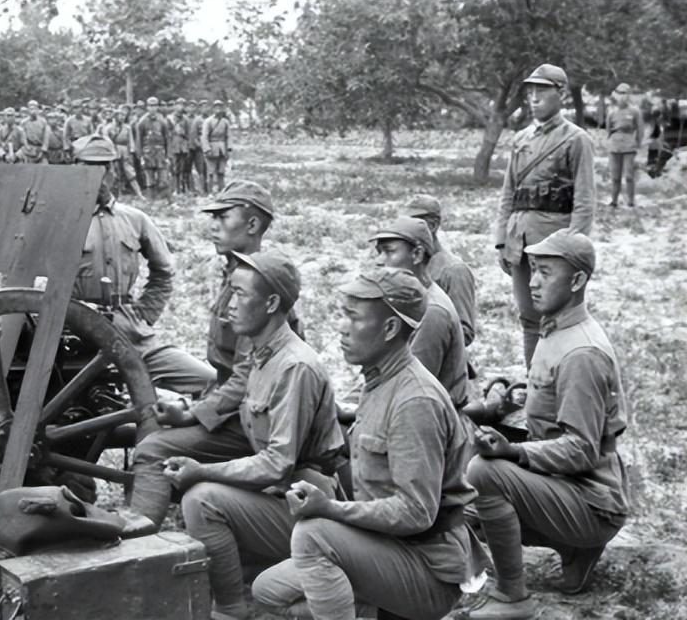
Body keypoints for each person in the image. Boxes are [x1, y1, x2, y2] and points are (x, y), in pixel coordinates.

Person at [251, 266, 480, 620]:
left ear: (390, 329)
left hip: (428, 568)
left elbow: (416, 511)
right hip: (389, 548)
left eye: (353, 317)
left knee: (313, 535)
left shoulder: (414, 400)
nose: (342, 326)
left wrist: (331, 509)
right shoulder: (379, 381)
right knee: (268, 590)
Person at [144, 250, 346, 620]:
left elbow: (277, 465)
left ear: (271, 303)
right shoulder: (263, 353)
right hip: (286, 494)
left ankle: (230, 611)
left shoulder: (293, 367)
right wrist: (190, 415)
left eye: (239, 295)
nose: (228, 306)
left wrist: (202, 470)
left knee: (201, 498)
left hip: (309, 507)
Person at [463, 229, 628, 620]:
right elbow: (550, 405)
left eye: (545, 273)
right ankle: (575, 549)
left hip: (592, 501)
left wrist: (513, 451)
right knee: (469, 504)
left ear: (577, 281)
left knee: (485, 475)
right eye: (532, 270)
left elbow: (582, 449)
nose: (532, 282)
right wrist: (511, 398)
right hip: (572, 488)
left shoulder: (581, 353)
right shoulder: (556, 329)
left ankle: (513, 596)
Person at [70, 134, 216, 396]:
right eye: (88, 167)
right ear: (75, 169)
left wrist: (144, 314)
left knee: (208, 380)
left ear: (113, 172)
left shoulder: (135, 220)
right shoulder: (59, 220)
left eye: (104, 167)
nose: (98, 175)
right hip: (73, 333)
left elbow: (164, 272)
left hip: (129, 333)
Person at [496, 63, 595, 368]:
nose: (534, 98)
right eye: (531, 91)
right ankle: (534, 381)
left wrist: (572, 250)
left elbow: (584, 200)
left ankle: (560, 379)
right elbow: (508, 193)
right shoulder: (521, 139)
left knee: (557, 316)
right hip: (520, 241)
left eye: (542, 90)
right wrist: (501, 240)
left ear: (561, 94)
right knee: (529, 316)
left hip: (555, 244)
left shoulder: (576, 139)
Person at [199, 179, 300, 385]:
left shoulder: (258, 286)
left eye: (223, 217)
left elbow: (248, 378)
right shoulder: (235, 275)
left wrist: (194, 414)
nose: (213, 227)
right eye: (213, 218)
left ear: (252, 225)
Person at [371, 216, 469, 409]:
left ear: (416, 254)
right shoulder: (405, 301)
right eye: (379, 252)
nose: (379, 261)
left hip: (430, 419)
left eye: (389, 252)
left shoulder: (432, 312)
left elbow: (410, 387)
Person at [405, 194, 478, 348]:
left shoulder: (454, 271)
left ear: (432, 226)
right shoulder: (408, 265)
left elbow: (464, 332)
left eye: (412, 223)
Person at [605, 82, 644, 208]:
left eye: (625, 94)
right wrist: (610, 142)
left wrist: (638, 143)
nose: (622, 97)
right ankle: (614, 201)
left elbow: (640, 129)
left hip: (629, 145)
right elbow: (608, 129)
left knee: (629, 176)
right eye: (620, 93)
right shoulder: (611, 111)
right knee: (615, 177)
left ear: (629, 95)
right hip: (615, 145)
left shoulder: (634, 111)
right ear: (616, 95)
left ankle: (631, 201)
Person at [103, 104, 145, 199]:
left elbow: (131, 140)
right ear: (116, 116)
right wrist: (110, 152)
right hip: (114, 151)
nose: (122, 117)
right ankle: (117, 194)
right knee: (115, 174)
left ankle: (139, 193)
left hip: (125, 151)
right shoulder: (108, 128)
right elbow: (106, 141)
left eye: (123, 115)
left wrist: (132, 150)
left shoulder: (127, 128)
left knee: (130, 172)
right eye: (120, 115)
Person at [136, 96, 170, 198]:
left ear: (157, 107)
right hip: (148, 152)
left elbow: (167, 138)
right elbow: (139, 140)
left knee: (163, 177)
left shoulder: (162, 121)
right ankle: (150, 199)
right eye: (150, 106)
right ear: (147, 107)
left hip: (160, 152)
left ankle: (164, 199)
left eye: (155, 106)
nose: (152, 108)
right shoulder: (142, 121)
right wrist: (140, 155)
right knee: (149, 178)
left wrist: (168, 155)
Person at [202, 100, 231, 193]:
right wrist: (207, 149)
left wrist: (229, 149)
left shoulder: (225, 122)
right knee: (210, 172)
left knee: (221, 171)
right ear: (213, 109)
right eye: (216, 107)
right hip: (211, 148)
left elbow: (228, 136)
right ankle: (210, 192)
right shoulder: (208, 121)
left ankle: (221, 191)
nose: (218, 109)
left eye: (220, 107)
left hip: (222, 149)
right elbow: (204, 136)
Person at [169, 98, 190, 194]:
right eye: (178, 105)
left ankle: (182, 188)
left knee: (183, 168)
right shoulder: (170, 119)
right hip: (174, 146)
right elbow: (167, 134)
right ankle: (175, 188)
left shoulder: (186, 119)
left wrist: (183, 133)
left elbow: (189, 134)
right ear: (175, 106)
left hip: (183, 147)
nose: (180, 107)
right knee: (174, 169)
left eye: (182, 105)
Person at [190, 100, 209, 194]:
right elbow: (194, 137)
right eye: (203, 107)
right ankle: (202, 190)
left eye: (206, 107)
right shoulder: (197, 120)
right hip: (200, 150)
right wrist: (200, 147)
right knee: (201, 170)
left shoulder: (210, 119)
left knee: (210, 170)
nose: (205, 109)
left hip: (210, 149)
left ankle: (208, 189)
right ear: (200, 108)